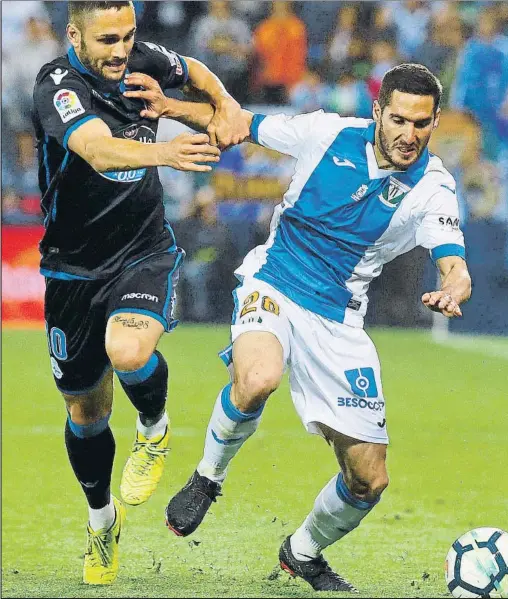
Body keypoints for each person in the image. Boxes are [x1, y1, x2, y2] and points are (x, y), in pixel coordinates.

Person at [134, 63, 471, 591]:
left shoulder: (433, 188)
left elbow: (454, 262)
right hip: (274, 281)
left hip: (338, 319)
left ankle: (302, 551)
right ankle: (207, 477)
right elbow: (236, 121)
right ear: (378, 112)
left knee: (368, 479)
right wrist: (171, 106)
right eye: (399, 120)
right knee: (257, 378)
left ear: (434, 123)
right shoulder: (327, 132)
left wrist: (453, 285)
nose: (409, 135)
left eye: (422, 124)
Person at [32, 0, 249, 586]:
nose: (121, 50)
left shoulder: (141, 58)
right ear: (74, 34)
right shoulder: (57, 86)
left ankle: (153, 429)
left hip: (143, 252)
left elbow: (195, 70)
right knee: (86, 409)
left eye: (128, 35)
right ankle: (102, 523)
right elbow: (99, 149)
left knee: (128, 351)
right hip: (73, 272)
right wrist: (167, 150)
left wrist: (223, 103)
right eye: (107, 39)